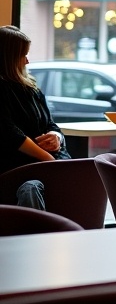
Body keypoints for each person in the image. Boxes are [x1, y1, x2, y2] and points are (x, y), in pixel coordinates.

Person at [0, 25, 70, 208]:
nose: (27, 61)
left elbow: (51, 125)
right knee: (32, 186)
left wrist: (57, 138)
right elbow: (10, 135)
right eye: (23, 55)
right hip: (17, 168)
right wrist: (50, 161)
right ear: (8, 58)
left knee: (86, 174)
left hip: (46, 164)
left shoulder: (32, 90)